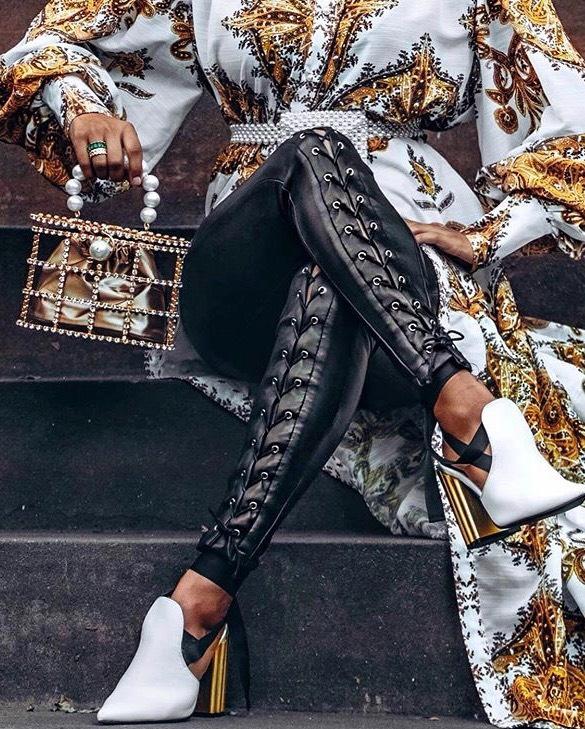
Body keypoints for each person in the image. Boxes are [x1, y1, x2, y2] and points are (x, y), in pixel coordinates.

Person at [2, 0, 585, 726]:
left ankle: (198, 602)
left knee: (328, 281)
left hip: (406, 258)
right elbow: (57, 43)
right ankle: (468, 410)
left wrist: (491, 233)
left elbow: (567, 121)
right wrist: (83, 106)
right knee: (313, 149)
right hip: (243, 263)